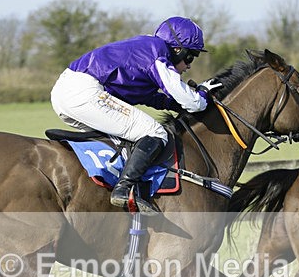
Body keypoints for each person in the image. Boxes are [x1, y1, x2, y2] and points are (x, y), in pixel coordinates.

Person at [50, 16, 221, 214]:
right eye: (190, 57)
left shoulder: (146, 50)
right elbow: (192, 102)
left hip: (67, 93)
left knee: (128, 136)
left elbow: (150, 98)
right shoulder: (158, 52)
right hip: (84, 92)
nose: (189, 65)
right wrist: (202, 94)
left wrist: (180, 103)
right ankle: (124, 189)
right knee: (155, 132)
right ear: (177, 49)